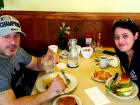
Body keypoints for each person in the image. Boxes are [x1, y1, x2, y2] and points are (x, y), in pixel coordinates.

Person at [0, 15, 66, 105]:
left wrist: (47, 60)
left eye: (16, 35)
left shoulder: (17, 51)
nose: (13, 42)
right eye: (6, 36)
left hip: (30, 94)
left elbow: (36, 64)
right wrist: (50, 92)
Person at [112, 18, 140, 98]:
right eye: (117, 37)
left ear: (136, 35)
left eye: (125, 36)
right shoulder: (121, 51)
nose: (120, 41)